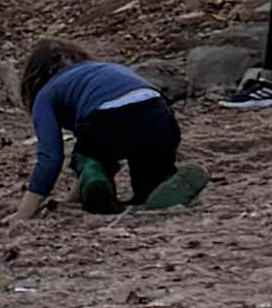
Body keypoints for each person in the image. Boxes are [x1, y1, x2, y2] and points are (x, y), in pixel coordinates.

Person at [19, 42, 196, 213]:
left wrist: (23, 214)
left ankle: (96, 184)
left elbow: (50, 158)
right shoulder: (107, 68)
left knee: (89, 158)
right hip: (159, 114)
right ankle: (162, 185)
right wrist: (68, 202)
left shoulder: (46, 93)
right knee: (150, 184)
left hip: (107, 120)